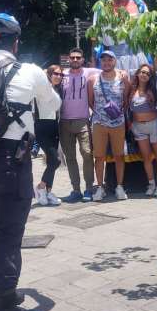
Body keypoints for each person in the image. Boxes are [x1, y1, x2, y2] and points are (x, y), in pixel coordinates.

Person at [0, 13, 59, 311]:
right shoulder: (30, 71)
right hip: (12, 159)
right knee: (9, 227)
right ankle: (4, 295)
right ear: (15, 43)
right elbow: (51, 107)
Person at [92, 0, 150, 75]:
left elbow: (149, 38)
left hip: (140, 61)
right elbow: (95, 41)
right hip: (111, 62)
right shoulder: (100, 8)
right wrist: (94, 68)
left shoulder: (141, 6)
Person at [88, 50, 131, 201]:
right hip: (99, 123)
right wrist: (102, 114)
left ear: (115, 61)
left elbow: (126, 100)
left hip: (118, 123)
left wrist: (117, 114)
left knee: (119, 156)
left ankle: (119, 186)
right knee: (99, 157)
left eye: (109, 60)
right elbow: (90, 102)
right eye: (104, 60)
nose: (106, 62)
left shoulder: (123, 78)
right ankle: (100, 187)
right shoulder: (93, 79)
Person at [59, 48, 99, 203]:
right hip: (64, 122)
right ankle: (75, 189)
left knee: (87, 154)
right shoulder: (62, 74)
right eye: (72, 57)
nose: (75, 60)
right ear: (69, 59)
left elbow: (110, 69)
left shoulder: (90, 72)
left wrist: (121, 72)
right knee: (70, 157)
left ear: (83, 59)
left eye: (78, 58)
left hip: (83, 120)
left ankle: (89, 188)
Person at [129, 64, 157, 196]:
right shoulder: (131, 89)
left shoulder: (154, 90)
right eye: (142, 72)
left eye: (148, 73)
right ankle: (151, 184)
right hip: (138, 127)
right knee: (146, 157)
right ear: (138, 73)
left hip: (153, 125)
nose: (144, 75)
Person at [34, 65, 64, 206]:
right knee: (55, 160)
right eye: (55, 74)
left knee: (52, 161)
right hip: (41, 127)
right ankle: (40, 187)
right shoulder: (41, 88)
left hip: (54, 127)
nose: (58, 76)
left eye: (60, 74)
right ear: (49, 74)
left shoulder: (58, 89)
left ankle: (48, 191)